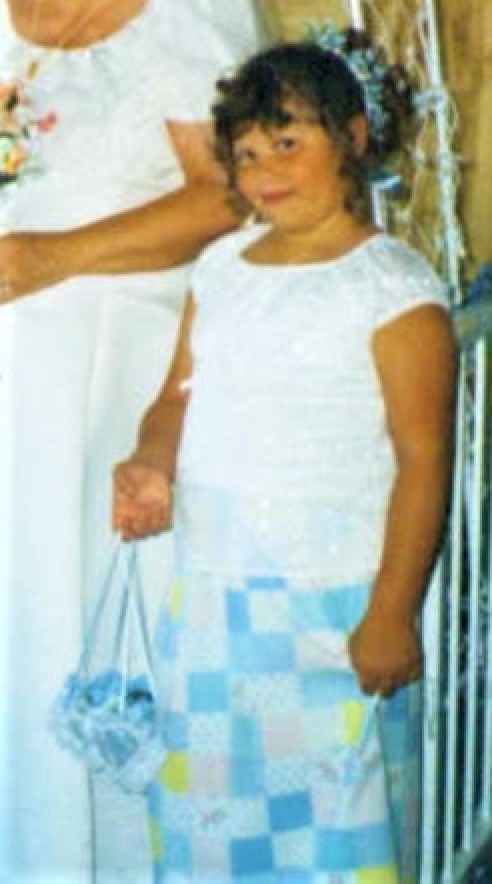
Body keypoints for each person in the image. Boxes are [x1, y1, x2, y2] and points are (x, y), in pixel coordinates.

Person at [113, 37, 457, 882]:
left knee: (333, 818)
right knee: (212, 818)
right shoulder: (222, 267)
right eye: (248, 153)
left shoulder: (392, 288)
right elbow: (178, 397)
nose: (267, 170)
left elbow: (423, 461)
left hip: (330, 607)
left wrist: (392, 612)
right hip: (216, 607)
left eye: (289, 142)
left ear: (353, 134)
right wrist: (149, 460)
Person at [0, 0, 265, 880]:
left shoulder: (187, 17)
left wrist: (52, 256)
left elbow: (234, 195)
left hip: (104, 363)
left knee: (57, 616)